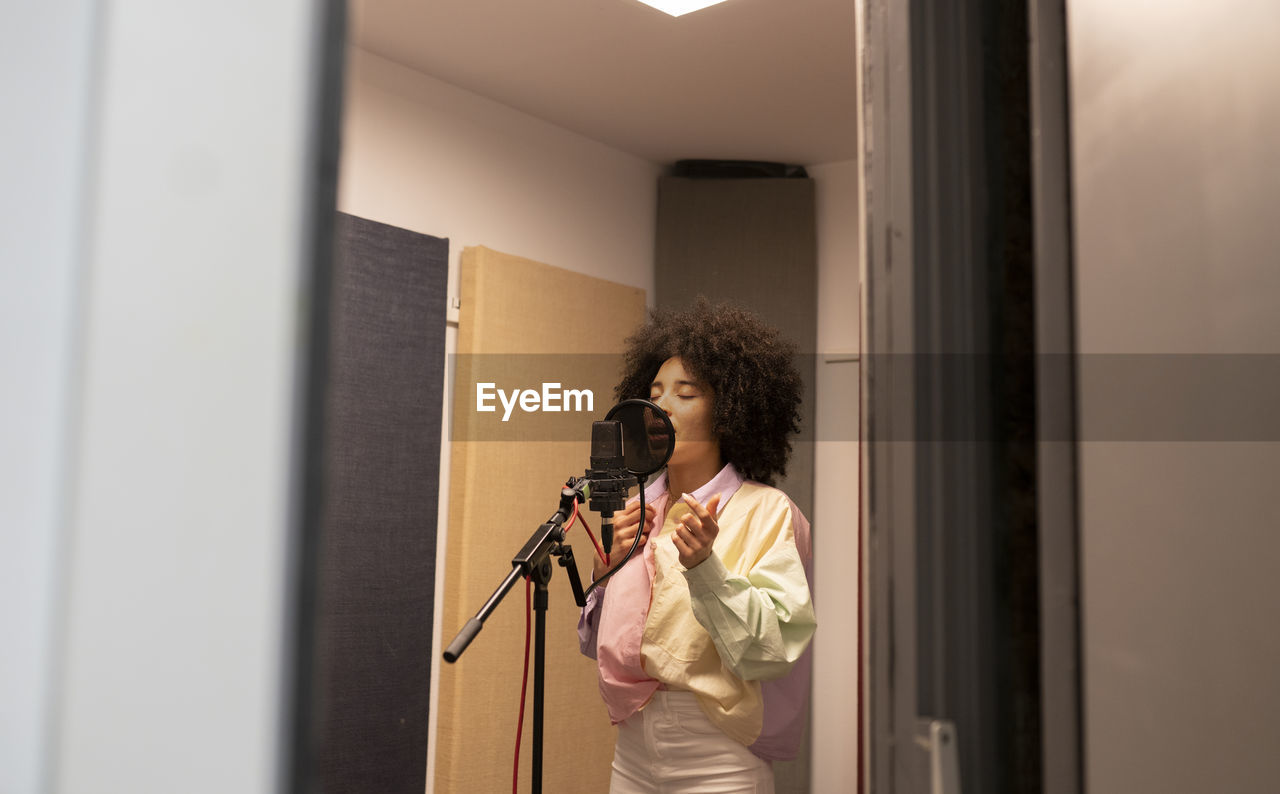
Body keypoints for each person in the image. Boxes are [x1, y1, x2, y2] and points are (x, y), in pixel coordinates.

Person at [578, 298, 816, 793]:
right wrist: (611, 567)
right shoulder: (637, 508)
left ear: (729, 409)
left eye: (685, 393)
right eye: (654, 392)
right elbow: (594, 643)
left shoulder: (769, 511)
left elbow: (767, 651)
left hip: (719, 754)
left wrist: (706, 567)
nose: (660, 407)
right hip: (632, 750)